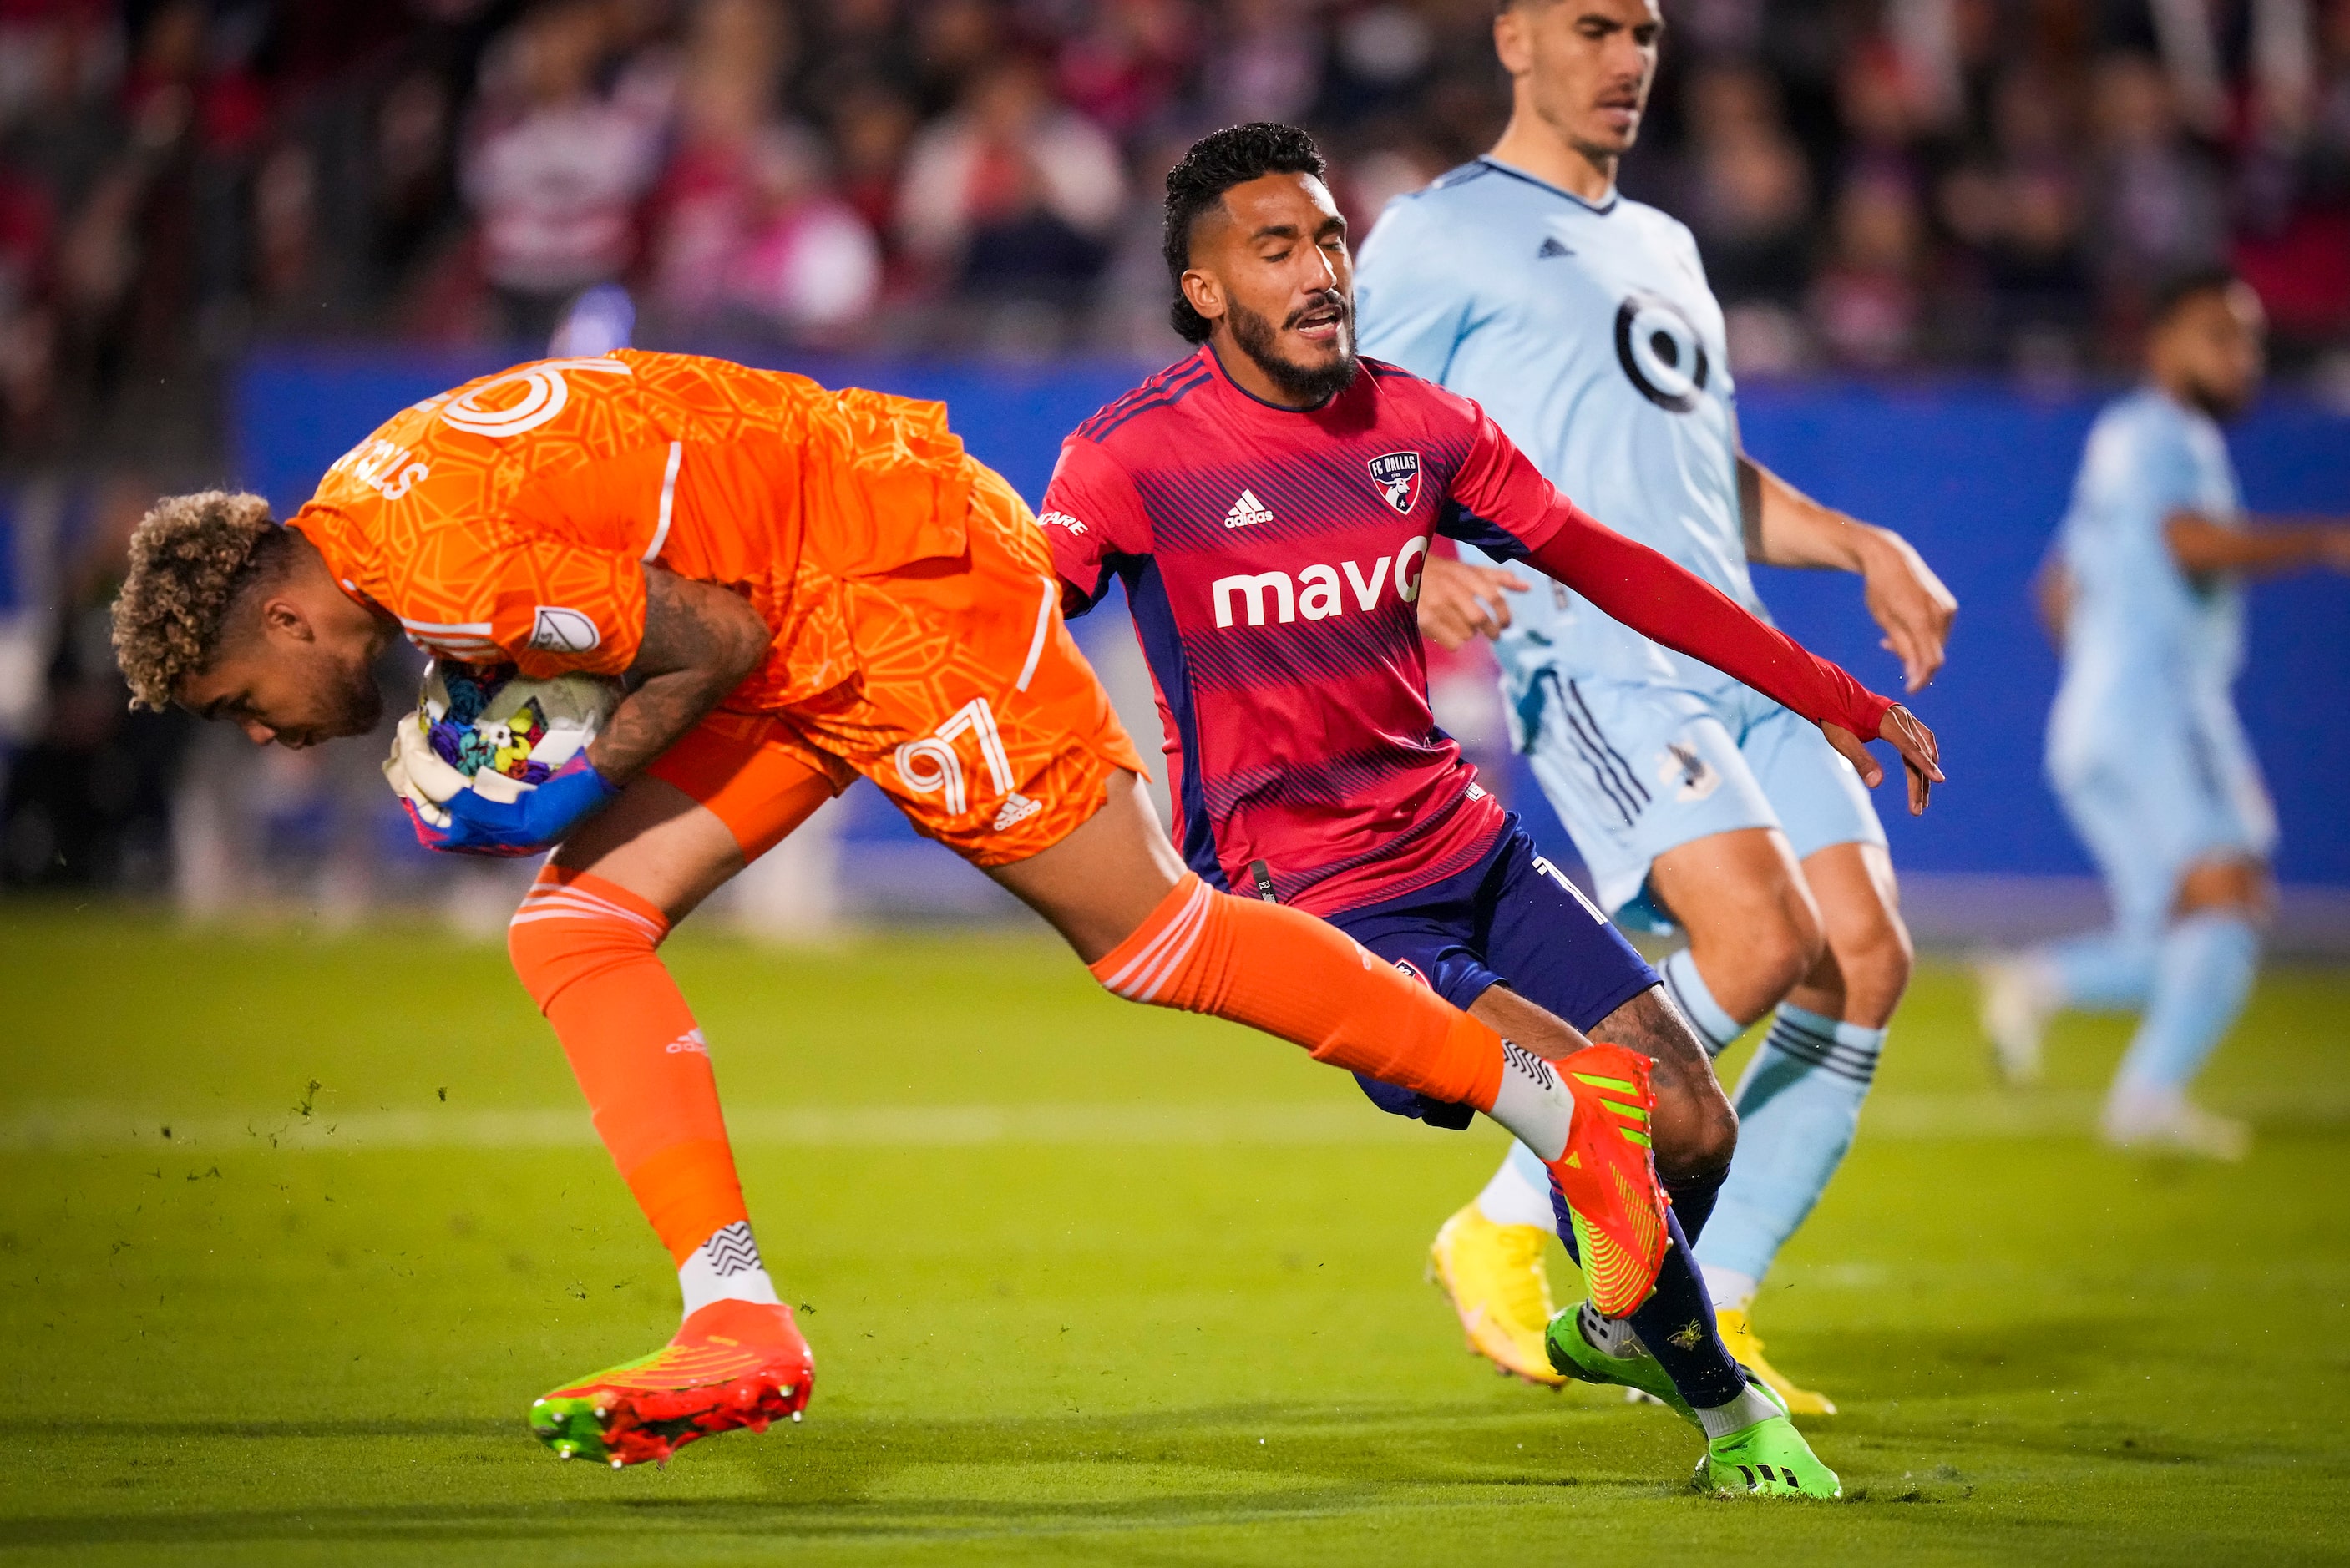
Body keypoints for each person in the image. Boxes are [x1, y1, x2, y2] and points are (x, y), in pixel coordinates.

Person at [109, 350, 1680, 1472]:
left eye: (245, 696)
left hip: (888, 586)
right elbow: (627, 553)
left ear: (290, 609)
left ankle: (1570, 1120)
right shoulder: (364, 513)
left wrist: (561, 774)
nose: (263, 732)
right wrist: (509, 712)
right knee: (571, 928)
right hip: (803, 567)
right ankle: (734, 1315)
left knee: (1152, 935)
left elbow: (703, 638)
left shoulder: (433, 570)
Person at [1041, 123, 1941, 1498]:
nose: (1319, 269)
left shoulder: (1421, 424)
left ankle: (1612, 1325)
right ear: (1205, 289)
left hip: (1468, 848)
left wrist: (1823, 687)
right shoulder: (1131, 457)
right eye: (1274, 247)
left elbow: (1616, 566)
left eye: (1329, 237)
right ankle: (1730, 1417)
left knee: (1695, 1127)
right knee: (1595, 1104)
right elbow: (1015, 618)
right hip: (1316, 899)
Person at [1351, 0, 1958, 1415]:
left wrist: (1861, 540)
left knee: (1859, 956)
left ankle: (1719, 1302)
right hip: (1590, 645)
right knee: (1756, 937)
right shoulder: (1438, 231)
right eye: (1591, 26)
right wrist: (1415, 559)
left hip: (1729, 645)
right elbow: (1343, 432)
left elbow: (1708, 479)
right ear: (1512, 39)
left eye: (1643, 30)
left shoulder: (1665, 247)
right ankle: (1505, 1211)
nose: (1625, 56)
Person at [1978, 271, 2350, 1157]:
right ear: (2163, 345)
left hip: (2106, 715)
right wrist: (2325, 539)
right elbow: (2188, 544)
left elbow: (2056, 591)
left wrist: (2104, 675)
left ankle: (2038, 981)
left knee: (2178, 932)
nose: (2243, 357)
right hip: (2156, 710)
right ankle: (2146, 1102)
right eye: (2220, 336)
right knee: (2231, 900)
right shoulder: (2166, 435)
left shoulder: (2121, 439)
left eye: (2251, 340)